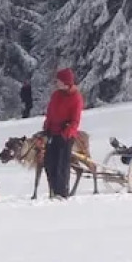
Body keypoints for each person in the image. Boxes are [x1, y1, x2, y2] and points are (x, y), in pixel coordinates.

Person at [41, 68, 84, 199]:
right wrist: (46, 127)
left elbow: (75, 120)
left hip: (65, 135)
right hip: (52, 132)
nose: (56, 83)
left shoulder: (76, 98)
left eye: (58, 81)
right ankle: (54, 190)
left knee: (62, 165)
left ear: (66, 82)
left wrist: (66, 133)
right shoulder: (56, 95)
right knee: (49, 163)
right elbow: (50, 113)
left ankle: (62, 192)